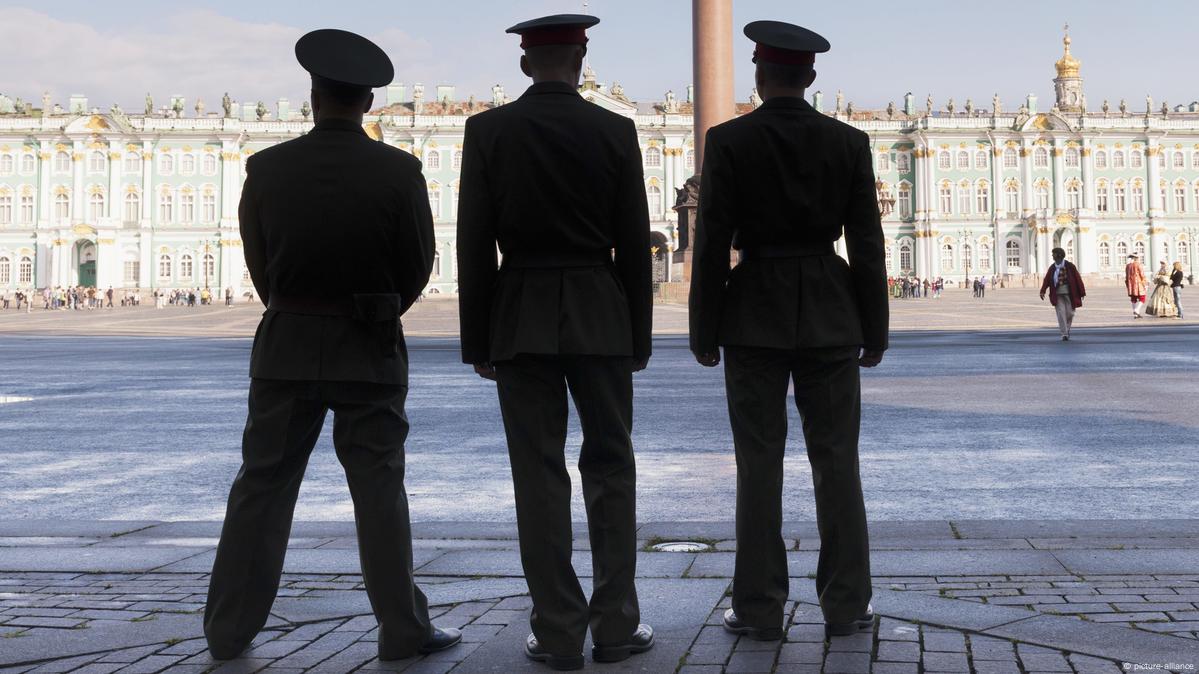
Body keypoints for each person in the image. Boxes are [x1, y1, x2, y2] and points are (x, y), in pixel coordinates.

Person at [203, 28, 459, 662]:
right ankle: (402, 628)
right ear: (368, 104)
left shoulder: (266, 168)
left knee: (261, 485)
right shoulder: (400, 170)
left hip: (287, 343)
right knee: (378, 490)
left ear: (312, 97)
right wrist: (377, 308)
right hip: (367, 345)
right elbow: (418, 263)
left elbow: (260, 265)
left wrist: (295, 306)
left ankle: (228, 629)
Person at [456, 14, 654, 671]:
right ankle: (617, 627)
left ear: (524, 64)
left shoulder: (486, 131)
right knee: (611, 466)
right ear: (581, 58)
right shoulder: (614, 129)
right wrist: (638, 335)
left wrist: (477, 337)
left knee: (536, 476)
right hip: (600, 310)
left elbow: (473, 241)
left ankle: (559, 630)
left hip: (519, 314)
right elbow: (633, 237)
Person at [689, 20, 886, 642]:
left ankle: (759, 609)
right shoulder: (848, 142)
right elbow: (867, 243)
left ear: (758, 74)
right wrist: (874, 327)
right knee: (837, 464)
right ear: (811, 77)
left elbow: (712, 238)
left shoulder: (728, 141)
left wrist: (704, 327)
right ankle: (847, 604)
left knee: (758, 466)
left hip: (753, 314)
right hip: (830, 312)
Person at [1039, 247, 1085, 340]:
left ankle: (1067, 329)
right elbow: (1047, 280)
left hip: (1070, 293)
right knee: (1061, 313)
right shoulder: (1052, 268)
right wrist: (1042, 290)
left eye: (1054, 254)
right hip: (1057, 294)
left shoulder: (1070, 266)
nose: (1052, 255)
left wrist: (1082, 292)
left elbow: (1077, 278)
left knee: (1070, 313)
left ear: (1059, 255)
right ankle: (1064, 333)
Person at [1125, 253, 1147, 318]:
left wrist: (1128, 285)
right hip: (1138, 284)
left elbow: (1126, 276)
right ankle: (1137, 310)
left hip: (1131, 284)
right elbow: (1142, 275)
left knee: (1133, 298)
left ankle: (1135, 314)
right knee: (1142, 298)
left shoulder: (1128, 266)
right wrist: (1145, 283)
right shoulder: (1138, 265)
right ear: (1136, 258)